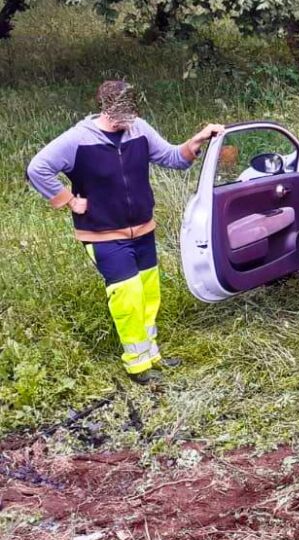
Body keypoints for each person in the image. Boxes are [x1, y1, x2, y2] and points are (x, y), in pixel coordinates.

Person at [26, 80, 223, 384]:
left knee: (149, 294)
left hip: (143, 230)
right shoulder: (78, 139)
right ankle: (137, 365)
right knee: (128, 297)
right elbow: (37, 168)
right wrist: (70, 201)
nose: (129, 119)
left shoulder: (139, 129)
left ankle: (151, 354)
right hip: (104, 235)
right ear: (106, 107)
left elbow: (173, 158)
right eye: (122, 111)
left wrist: (197, 140)